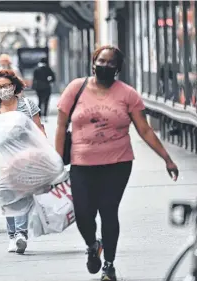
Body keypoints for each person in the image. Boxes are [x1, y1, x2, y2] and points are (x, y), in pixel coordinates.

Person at [55, 45, 179, 281]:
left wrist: (167, 158)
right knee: (83, 214)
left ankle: (108, 265)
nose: (105, 66)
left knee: (108, 212)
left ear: (118, 68)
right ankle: (93, 246)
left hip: (117, 163)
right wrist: (57, 158)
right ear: (93, 62)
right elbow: (61, 125)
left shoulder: (127, 94)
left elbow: (144, 129)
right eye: (101, 61)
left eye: (111, 63)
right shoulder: (76, 88)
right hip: (81, 163)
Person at [0, 69, 46, 254]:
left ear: (14, 86)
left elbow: (39, 130)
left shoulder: (27, 105)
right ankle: (12, 235)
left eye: (7, 86)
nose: (4, 90)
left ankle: (21, 234)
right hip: (0, 159)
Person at [32, 57, 56, 122]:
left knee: (39, 101)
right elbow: (53, 78)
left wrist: (34, 87)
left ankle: (39, 115)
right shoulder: (48, 69)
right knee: (46, 102)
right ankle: (45, 115)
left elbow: (34, 79)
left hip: (38, 87)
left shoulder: (36, 69)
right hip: (46, 87)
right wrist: (49, 81)